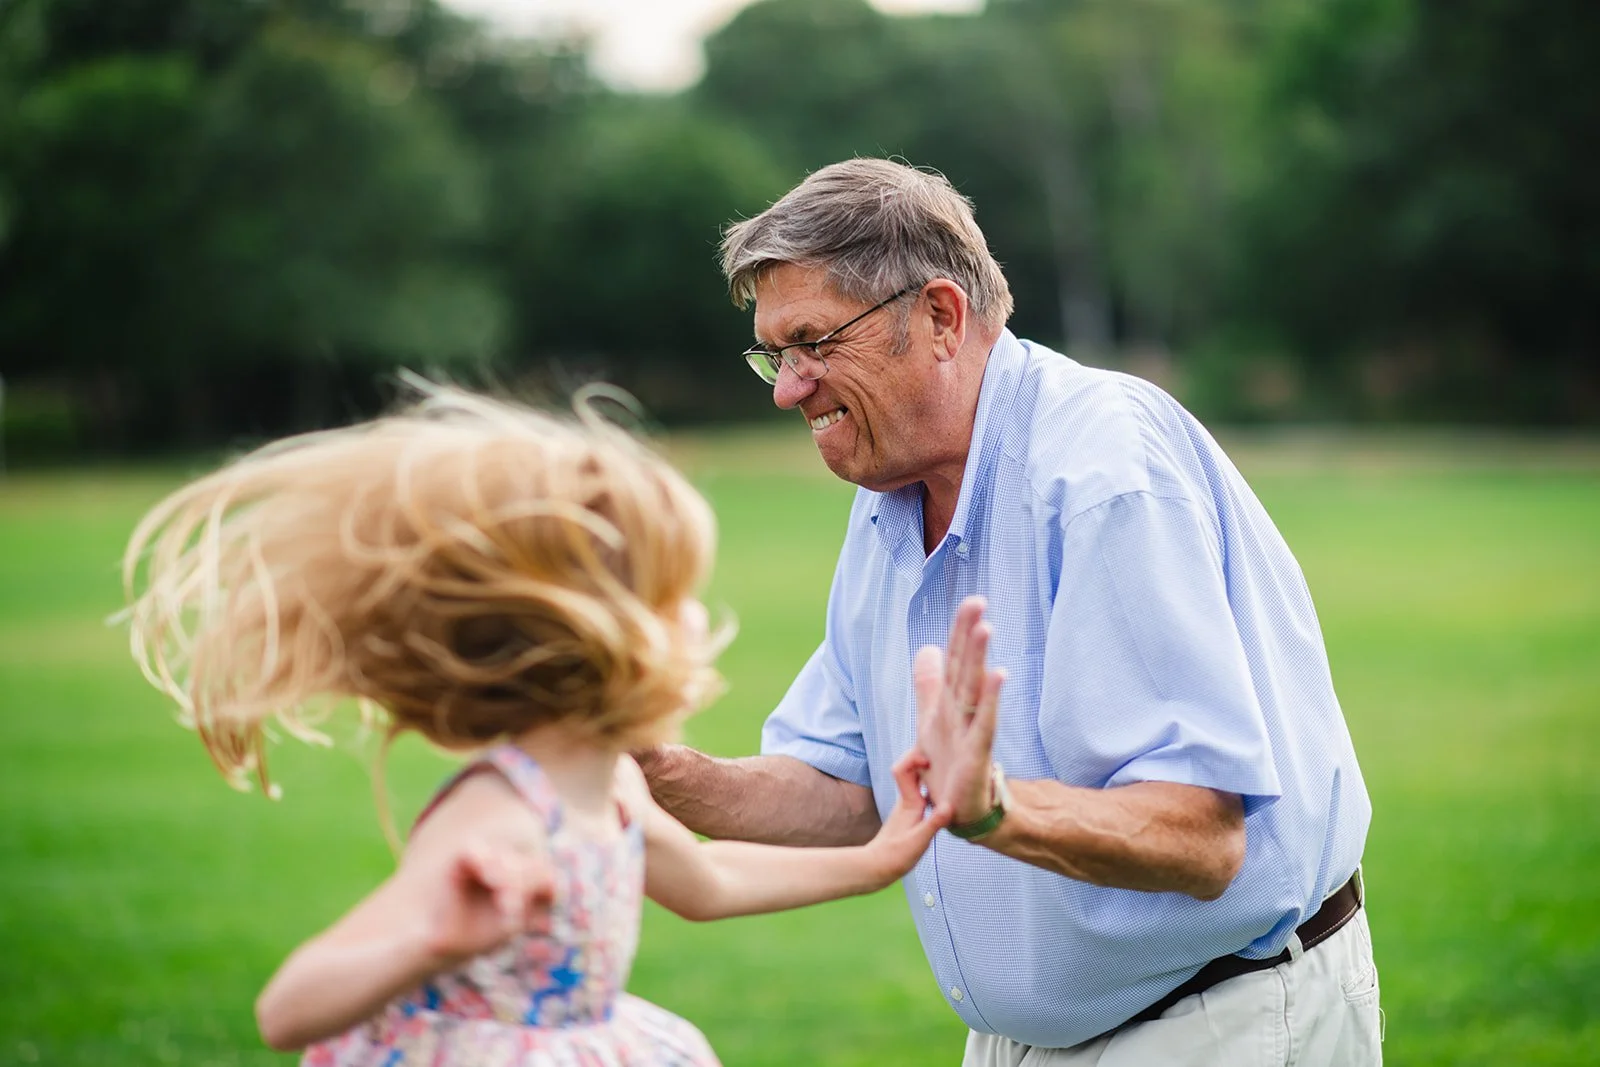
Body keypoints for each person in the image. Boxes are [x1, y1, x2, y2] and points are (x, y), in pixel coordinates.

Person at [636, 158, 1382, 1065]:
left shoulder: (1102, 470)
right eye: (775, 356)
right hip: (1027, 1038)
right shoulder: (888, 497)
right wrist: (653, 770)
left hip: (1215, 1018)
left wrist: (996, 810)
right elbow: (858, 789)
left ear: (941, 318)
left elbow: (1201, 834)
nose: (790, 388)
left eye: (815, 344)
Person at [121, 383, 950, 1066]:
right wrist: (437, 940)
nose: (701, 623)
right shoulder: (504, 815)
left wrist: (879, 860)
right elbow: (288, 1009)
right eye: (676, 602)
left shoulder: (613, 784)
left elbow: (708, 884)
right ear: (599, 638)